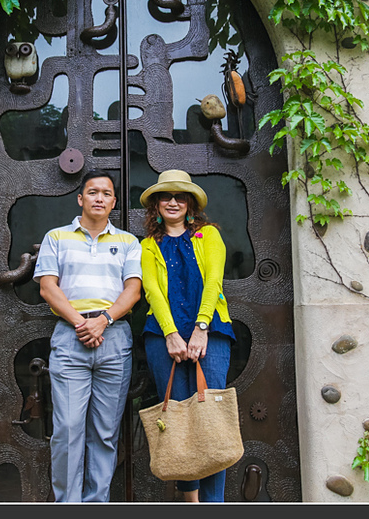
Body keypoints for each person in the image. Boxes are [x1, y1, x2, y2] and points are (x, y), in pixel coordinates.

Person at [33, 169, 142, 502]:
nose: (99, 198)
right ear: (81, 199)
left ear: (114, 202)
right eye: (93, 192)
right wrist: (82, 322)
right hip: (71, 337)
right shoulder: (56, 237)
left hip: (114, 338)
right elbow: (47, 287)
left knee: (105, 432)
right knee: (67, 430)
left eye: (106, 194)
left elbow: (133, 290)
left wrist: (103, 320)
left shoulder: (128, 242)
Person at [139, 169, 235, 503]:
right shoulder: (148, 245)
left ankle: (213, 503)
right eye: (165, 197)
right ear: (156, 205)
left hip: (211, 333)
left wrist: (201, 327)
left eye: (180, 196)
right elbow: (151, 291)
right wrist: (170, 334)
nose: (173, 202)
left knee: (211, 420)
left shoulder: (209, 236)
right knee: (178, 420)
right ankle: (190, 502)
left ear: (190, 204)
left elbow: (214, 281)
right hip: (163, 338)